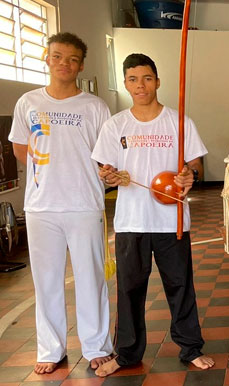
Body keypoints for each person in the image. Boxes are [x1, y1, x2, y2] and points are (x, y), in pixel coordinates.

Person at [91, 53, 214, 376]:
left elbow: (196, 165)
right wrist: (108, 174)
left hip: (171, 220)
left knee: (180, 286)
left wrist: (190, 175)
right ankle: (128, 353)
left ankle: (190, 348)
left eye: (146, 78)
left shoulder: (180, 121)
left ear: (157, 81)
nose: (140, 85)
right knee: (129, 289)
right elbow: (104, 167)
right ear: (126, 84)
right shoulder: (115, 125)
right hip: (131, 222)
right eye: (132, 79)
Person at [8, 32, 113, 374]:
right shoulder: (28, 103)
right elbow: (20, 148)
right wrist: (49, 174)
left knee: (91, 278)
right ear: (47, 58)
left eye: (71, 59)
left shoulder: (94, 106)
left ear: (81, 65)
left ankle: (97, 345)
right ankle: (50, 349)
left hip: (85, 205)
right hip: (41, 208)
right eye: (57, 56)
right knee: (47, 280)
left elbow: (106, 154)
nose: (63, 64)